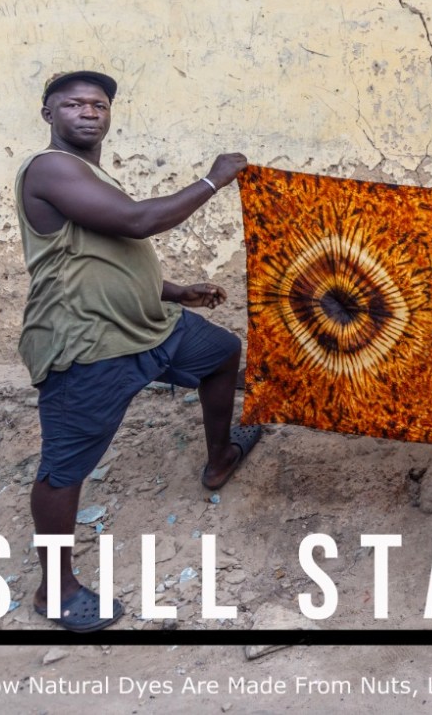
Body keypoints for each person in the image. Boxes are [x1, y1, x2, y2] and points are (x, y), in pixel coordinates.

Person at [16, 70, 261, 632]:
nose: (88, 111)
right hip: (87, 342)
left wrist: (173, 291)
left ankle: (221, 456)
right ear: (48, 114)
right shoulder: (49, 167)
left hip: (147, 323)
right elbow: (136, 222)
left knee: (221, 352)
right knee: (65, 468)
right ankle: (55, 590)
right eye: (73, 103)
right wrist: (212, 179)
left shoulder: (90, 174)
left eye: (98, 104)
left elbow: (101, 253)